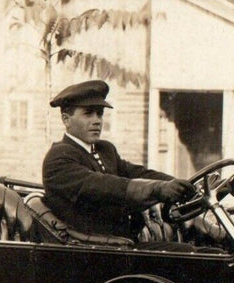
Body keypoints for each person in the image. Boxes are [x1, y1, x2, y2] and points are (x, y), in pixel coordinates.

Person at [41, 79, 195, 242]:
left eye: (99, 114)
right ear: (66, 120)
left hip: (121, 244)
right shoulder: (59, 157)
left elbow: (135, 172)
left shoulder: (103, 149)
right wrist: (157, 189)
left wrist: (179, 184)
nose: (97, 121)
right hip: (94, 250)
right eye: (88, 114)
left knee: (207, 252)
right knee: (202, 258)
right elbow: (106, 185)